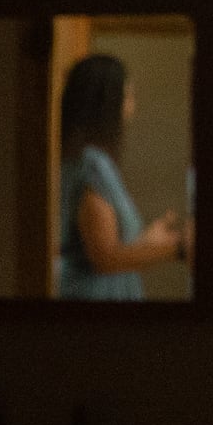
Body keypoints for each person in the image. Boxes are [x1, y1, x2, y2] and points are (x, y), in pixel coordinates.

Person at [51, 50, 189, 300]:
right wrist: (178, 249)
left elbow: (99, 246)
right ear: (111, 101)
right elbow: (103, 257)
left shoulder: (79, 161)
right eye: (128, 94)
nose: (132, 102)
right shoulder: (92, 164)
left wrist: (149, 241)